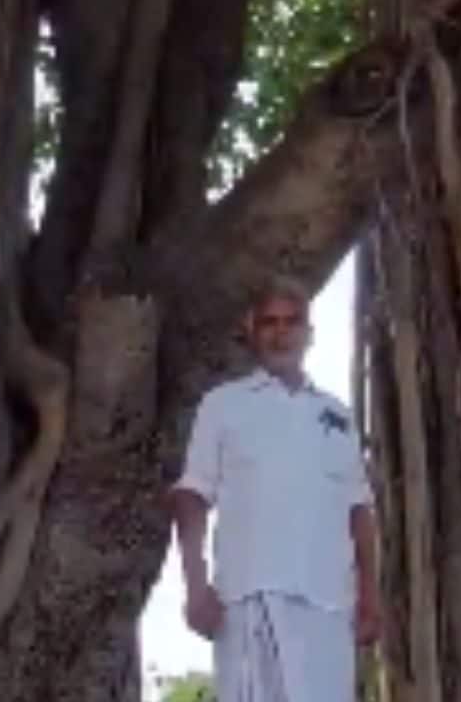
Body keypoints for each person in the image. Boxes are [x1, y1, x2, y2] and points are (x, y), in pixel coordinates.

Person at [169, 274, 380, 702]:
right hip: (250, 595)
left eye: (292, 322)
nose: (281, 333)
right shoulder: (223, 404)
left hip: (329, 605)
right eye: (270, 322)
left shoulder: (337, 416)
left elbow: (358, 509)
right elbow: (192, 496)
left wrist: (370, 595)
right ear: (252, 330)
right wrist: (195, 584)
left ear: (309, 333)